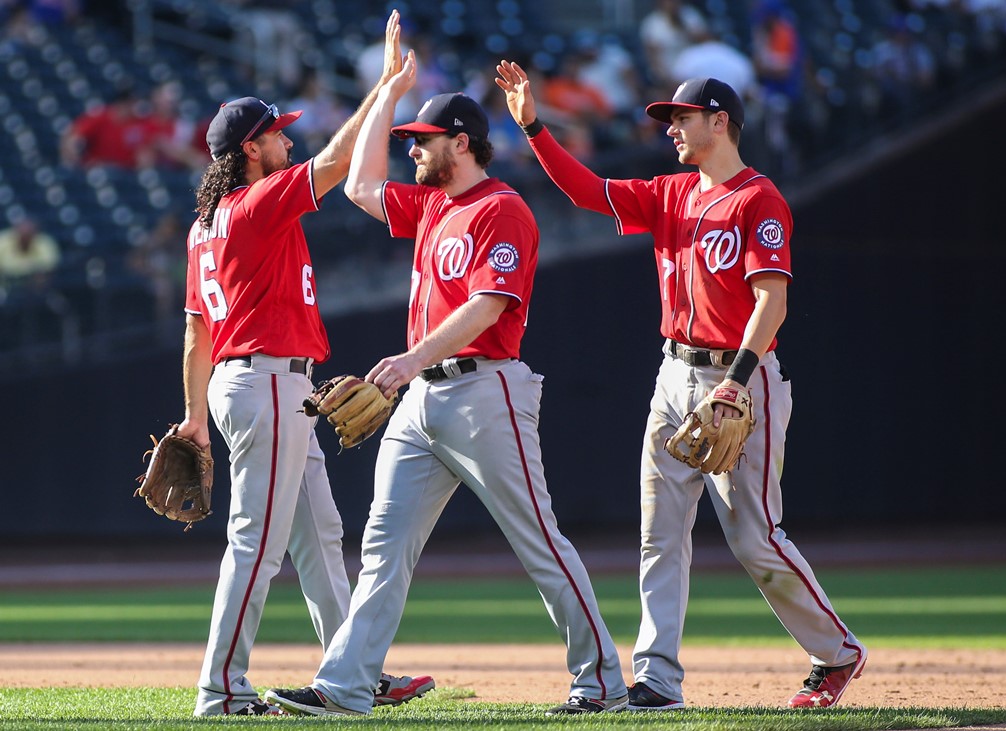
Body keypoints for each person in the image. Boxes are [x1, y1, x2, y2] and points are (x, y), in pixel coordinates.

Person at [264, 44, 628, 718]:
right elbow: (359, 186)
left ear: (460, 142)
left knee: (540, 543)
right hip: (422, 398)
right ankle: (343, 687)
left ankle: (601, 680)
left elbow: (487, 306)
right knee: (382, 549)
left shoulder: (503, 209)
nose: (412, 151)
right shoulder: (432, 206)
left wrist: (405, 361)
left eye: (422, 141)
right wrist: (388, 93)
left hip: (485, 391)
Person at [495, 62, 867, 710]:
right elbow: (586, 190)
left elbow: (770, 303)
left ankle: (838, 652)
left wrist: (735, 384)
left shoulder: (759, 199)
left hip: (739, 380)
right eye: (669, 121)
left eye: (681, 119)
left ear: (719, 121)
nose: (670, 129)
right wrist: (533, 126)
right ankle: (658, 678)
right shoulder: (671, 194)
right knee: (659, 532)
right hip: (673, 374)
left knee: (755, 537)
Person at [175, 11, 432, 716]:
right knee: (256, 546)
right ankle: (219, 690)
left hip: (252, 384)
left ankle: (351, 671)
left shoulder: (206, 225)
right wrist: (383, 89)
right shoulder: (256, 203)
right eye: (278, 132)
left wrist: (196, 414)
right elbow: (339, 162)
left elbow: (198, 331)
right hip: (265, 383)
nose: (288, 138)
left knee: (320, 535)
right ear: (251, 150)